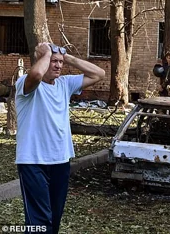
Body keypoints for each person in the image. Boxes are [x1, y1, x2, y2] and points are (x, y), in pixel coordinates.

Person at [15, 42, 105, 234]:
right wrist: (46, 53)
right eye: (53, 61)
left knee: (54, 219)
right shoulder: (25, 83)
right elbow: (37, 75)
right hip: (33, 162)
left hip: (60, 161)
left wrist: (68, 58)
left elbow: (99, 74)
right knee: (39, 221)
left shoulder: (65, 84)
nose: (57, 65)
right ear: (42, 60)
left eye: (60, 62)